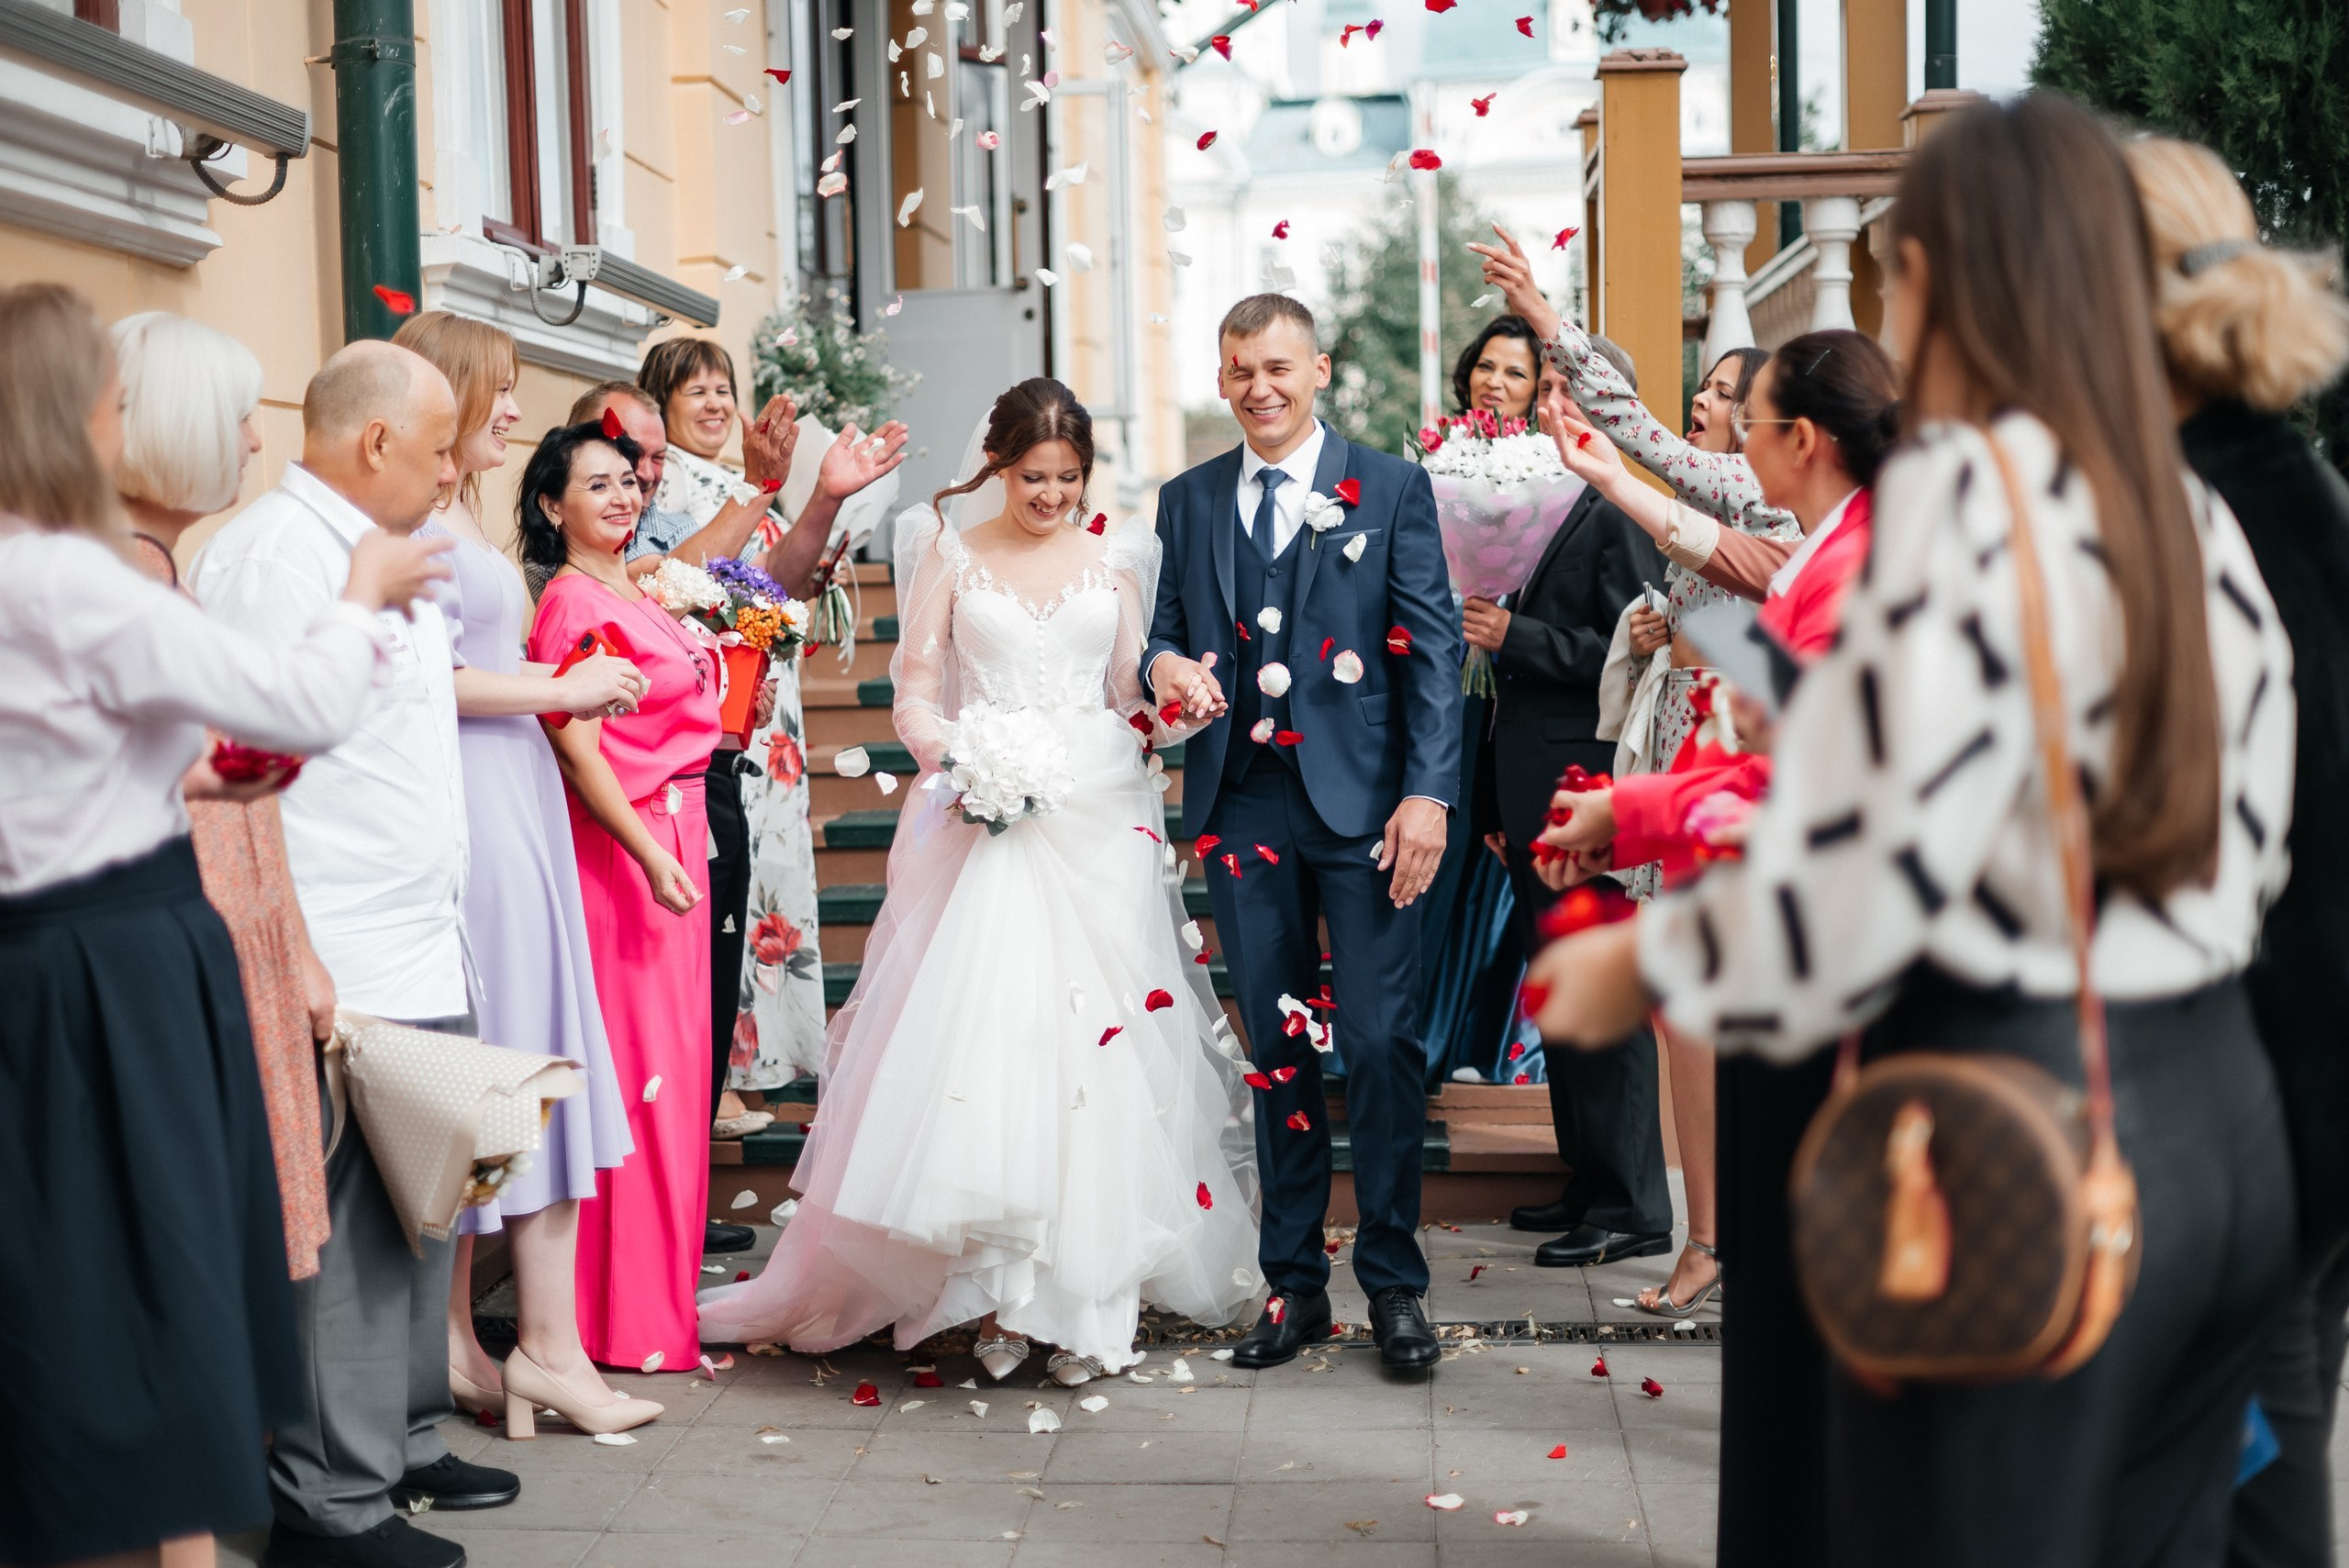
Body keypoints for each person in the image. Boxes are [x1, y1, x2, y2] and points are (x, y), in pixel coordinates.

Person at [1531, 94, 2298, 1566]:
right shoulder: (2183, 503)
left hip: (2020, 1121)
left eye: (1899, 274)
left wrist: (1645, 964)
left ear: (1946, 280)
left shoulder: (1970, 496)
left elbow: (1889, 858)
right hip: (2217, 1118)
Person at [697, 378, 1260, 1384]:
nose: (1051, 495)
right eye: (1034, 476)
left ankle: (1084, 1303)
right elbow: (914, 692)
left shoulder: (1119, 555)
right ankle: (997, 1295)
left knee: (1094, 1053)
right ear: (998, 465)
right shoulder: (947, 550)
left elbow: (1126, 690)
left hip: (1096, 820)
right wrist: (962, 761)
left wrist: (1176, 706)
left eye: (1068, 478)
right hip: (987, 817)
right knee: (1000, 1046)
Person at [0, 282, 438, 1568]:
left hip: (38, 956)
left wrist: (172, 772)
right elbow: (301, 703)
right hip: (119, 962)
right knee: (158, 1271)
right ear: (74, 415)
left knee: (76, 1280)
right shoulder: (77, 579)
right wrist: (362, 591)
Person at [1534, 326, 1900, 1562]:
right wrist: (1625, 817)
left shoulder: (1857, 564)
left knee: (1807, 1294)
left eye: (1752, 421)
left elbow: (1801, 768)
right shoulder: (1830, 545)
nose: (1736, 440)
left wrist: (1630, 812)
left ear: (1804, 439)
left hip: (1816, 957)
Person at [193, 339, 524, 1567]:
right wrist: (298, 947)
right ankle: (330, 1500)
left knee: (417, 1208)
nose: (451, 472)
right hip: (341, 939)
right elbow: (250, 764)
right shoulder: (276, 557)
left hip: (418, 929)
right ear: (376, 441)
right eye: (438, 450)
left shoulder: (383, 547)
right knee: (342, 1236)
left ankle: (402, 1435)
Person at [1146, 295, 1463, 1372]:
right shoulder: (1188, 499)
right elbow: (1161, 632)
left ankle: (1394, 1281)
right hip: (1242, 800)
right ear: (1221, 378)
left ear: (1318, 369)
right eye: (1240, 370)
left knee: (1378, 1041)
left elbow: (1433, 649)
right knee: (1276, 1050)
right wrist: (1163, 665)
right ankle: (1293, 1285)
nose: (1259, 387)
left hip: (1369, 806)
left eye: (1278, 366)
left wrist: (1430, 794)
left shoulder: (1392, 485)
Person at [2118, 136, 2349, 1568]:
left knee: (2243, 1487)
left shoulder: (2188, 517)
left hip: (2252, 1084)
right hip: (2303, 1071)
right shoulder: (2295, 485)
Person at [390, 313, 657, 1440]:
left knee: (511, 1062)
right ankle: (526, 1346)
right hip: (482, 802)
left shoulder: (451, 512)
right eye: (498, 389)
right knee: (511, 1066)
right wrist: (560, 687)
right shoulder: (421, 524)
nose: (513, 408)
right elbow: (432, 677)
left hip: (511, 797)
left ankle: (488, 1341)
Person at [636, 339, 907, 1188]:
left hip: (760, 705)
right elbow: (707, 599)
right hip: (705, 716)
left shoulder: (736, 481)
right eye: (695, 391)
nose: (715, 403)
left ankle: (744, 1063)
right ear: (659, 406)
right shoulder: (663, 490)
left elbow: (766, 598)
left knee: (758, 883)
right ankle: (718, 1078)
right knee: (723, 894)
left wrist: (815, 530)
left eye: (723, 388)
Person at [109, 311, 339, 1285]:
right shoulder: (123, 593)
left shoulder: (158, 583)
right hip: (182, 961)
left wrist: (294, 948)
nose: (253, 440)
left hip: (227, 943)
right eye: (237, 416)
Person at [1465, 338, 1676, 1280]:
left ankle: (1633, 1205)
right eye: (1539, 386)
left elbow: (1633, 652)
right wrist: (1489, 794)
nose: (1544, 399)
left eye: (1562, 387)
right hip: (1523, 782)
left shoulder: (1614, 508)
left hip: (1590, 784)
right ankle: (1587, 1178)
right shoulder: (1512, 504)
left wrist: (1518, 633)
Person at [521, 419, 723, 1377]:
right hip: (627, 849)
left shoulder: (633, 584)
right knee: (641, 1080)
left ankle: (656, 1310)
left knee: (676, 1078)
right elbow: (577, 748)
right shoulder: (570, 600)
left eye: (628, 482)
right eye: (595, 484)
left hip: (678, 830)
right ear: (552, 504)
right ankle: (620, 1319)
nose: (620, 497)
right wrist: (646, 853)